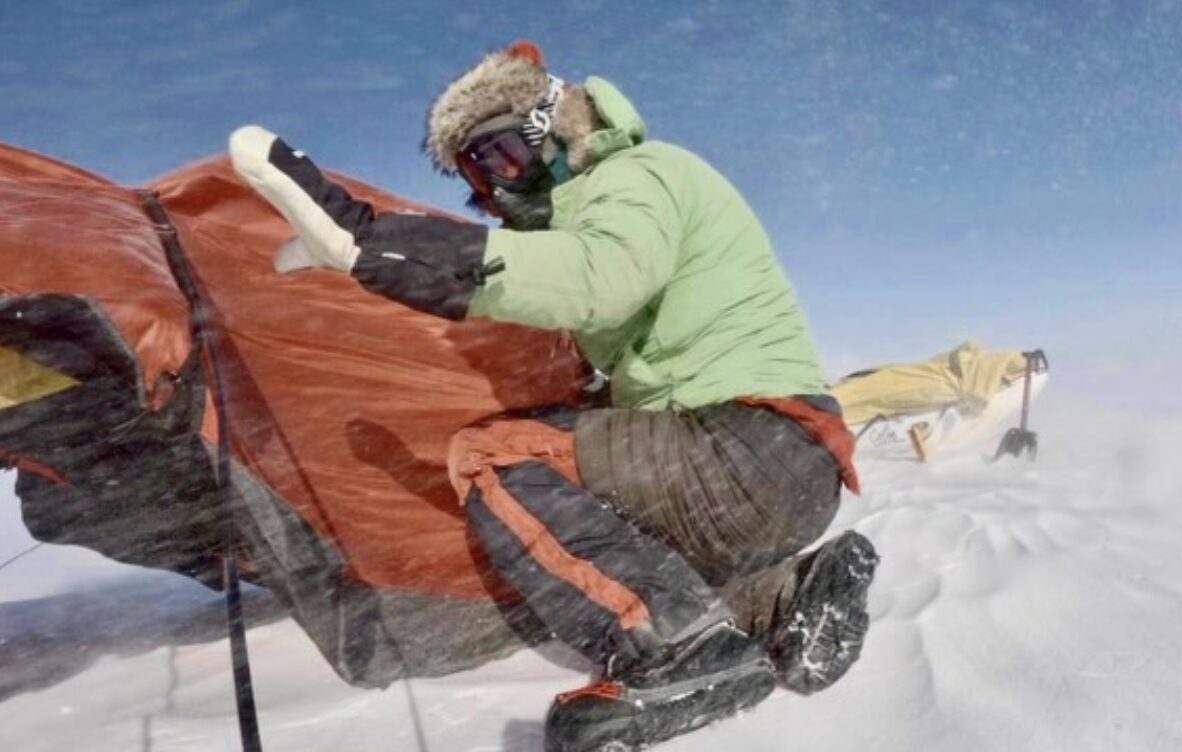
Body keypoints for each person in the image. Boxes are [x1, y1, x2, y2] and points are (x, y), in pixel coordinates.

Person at [229, 40, 879, 752]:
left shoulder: (632, 175)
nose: (498, 189)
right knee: (614, 519)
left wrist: (375, 244)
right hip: (786, 469)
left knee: (488, 453)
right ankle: (787, 595)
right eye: (479, 180)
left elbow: (601, 276)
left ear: (551, 126)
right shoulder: (613, 202)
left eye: (504, 156)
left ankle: (682, 649)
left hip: (742, 449)